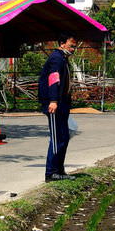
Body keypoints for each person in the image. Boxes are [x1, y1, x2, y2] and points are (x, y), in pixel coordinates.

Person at [38, 33, 78, 182]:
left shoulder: (63, 58)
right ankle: (51, 172)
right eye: (71, 46)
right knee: (57, 138)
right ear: (62, 43)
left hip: (62, 104)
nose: (73, 49)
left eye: (74, 46)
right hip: (54, 104)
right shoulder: (56, 58)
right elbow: (53, 80)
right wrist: (53, 100)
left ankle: (59, 170)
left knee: (64, 137)